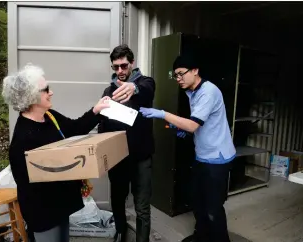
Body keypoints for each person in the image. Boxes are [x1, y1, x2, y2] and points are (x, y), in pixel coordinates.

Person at [2, 63, 110, 242]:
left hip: (61, 205)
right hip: (43, 212)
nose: (51, 92)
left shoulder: (50, 116)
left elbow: (75, 128)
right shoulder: (23, 138)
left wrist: (96, 111)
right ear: (32, 96)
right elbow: (26, 183)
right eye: (46, 89)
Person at [139, 55, 235, 242]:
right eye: (175, 75)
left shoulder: (208, 91)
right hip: (202, 156)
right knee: (198, 203)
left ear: (195, 70)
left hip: (217, 158)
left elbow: (192, 124)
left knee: (213, 208)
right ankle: (201, 236)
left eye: (181, 74)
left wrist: (163, 114)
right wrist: (186, 130)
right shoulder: (191, 92)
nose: (179, 79)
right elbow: (200, 124)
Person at [97, 44, 156, 242]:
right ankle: (120, 233)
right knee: (117, 202)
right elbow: (102, 125)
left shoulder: (145, 83)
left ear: (132, 63)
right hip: (118, 159)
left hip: (141, 157)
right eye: (116, 67)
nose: (120, 71)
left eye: (124, 66)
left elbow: (147, 90)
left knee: (142, 206)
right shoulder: (109, 90)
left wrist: (134, 87)